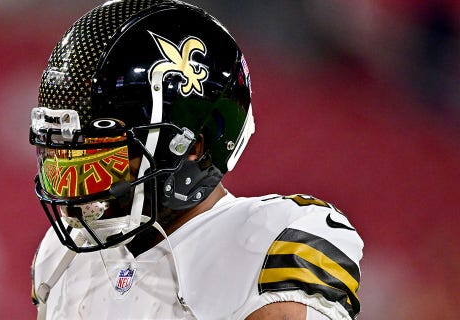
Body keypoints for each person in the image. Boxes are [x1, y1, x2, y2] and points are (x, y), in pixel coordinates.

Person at [28, 1, 363, 319]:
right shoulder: (63, 256)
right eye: (63, 156)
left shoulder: (266, 244)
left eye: (105, 158)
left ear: (191, 147)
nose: (77, 197)